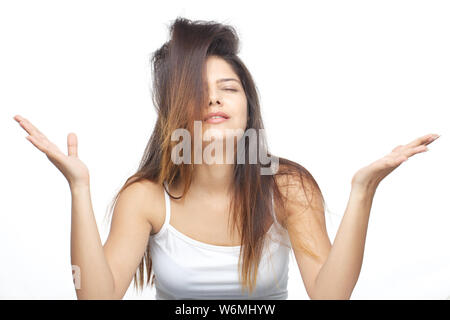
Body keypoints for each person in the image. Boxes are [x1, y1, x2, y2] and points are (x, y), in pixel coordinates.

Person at [13, 17, 440, 300]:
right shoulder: (145, 198)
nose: (214, 97)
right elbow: (96, 297)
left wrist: (363, 191)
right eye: (198, 89)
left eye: (228, 88)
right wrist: (79, 188)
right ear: (175, 109)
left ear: (248, 107)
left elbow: (331, 296)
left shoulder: (287, 187)